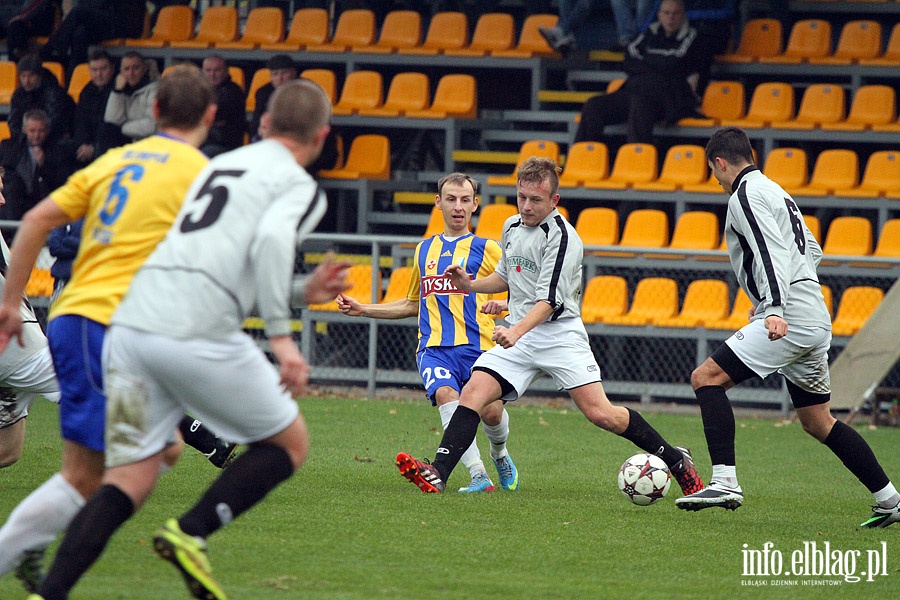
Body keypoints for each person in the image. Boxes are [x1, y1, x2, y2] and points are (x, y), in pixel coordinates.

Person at [24, 78, 348, 600]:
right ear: (322, 135)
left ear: (264, 123)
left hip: (131, 329)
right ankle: (191, 533)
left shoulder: (220, 165)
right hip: (193, 330)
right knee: (289, 443)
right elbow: (267, 243)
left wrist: (299, 290)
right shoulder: (297, 184)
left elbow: (219, 261)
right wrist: (283, 341)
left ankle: (51, 593)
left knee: (130, 476)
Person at [0, 65, 232, 596]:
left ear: (151, 111)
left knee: (157, 453)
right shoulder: (201, 174)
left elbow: (36, 220)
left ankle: (36, 544)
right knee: (109, 469)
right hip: (112, 330)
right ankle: (33, 553)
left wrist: (12, 303)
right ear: (212, 115)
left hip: (74, 320)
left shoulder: (115, 162)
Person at [395, 156, 704, 500]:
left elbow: (549, 301)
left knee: (603, 415)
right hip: (523, 334)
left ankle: (677, 462)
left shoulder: (563, 238)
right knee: (473, 394)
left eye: (535, 200)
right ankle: (438, 472)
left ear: (554, 201)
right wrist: (471, 285)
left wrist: (514, 331)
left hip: (559, 336)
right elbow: (505, 276)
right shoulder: (511, 226)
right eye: (521, 197)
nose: (526, 206)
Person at [674, 127, 900, 529]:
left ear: (720, 163)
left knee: (706, 377)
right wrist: (788, 295)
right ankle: (891, 500)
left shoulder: (744, 195)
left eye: (714, 172)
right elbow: (812, 249)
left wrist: (774, 306)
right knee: (818, 421)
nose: (717, 180)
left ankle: (725, 481)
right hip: (812, 310)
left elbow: (768, 251)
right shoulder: (777, 190)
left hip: (789, 313)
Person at [337, 173, 516, 493]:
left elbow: (521, 291)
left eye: (465, 200)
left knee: (491, 412)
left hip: (481, 346)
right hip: (433, 347)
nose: (458, 207)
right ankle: (479, 475)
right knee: (447, 396)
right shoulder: (423, 251)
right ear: (438, 203)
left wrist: (501, 306)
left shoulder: (489, 249)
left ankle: (500, 454)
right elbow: (411, 304)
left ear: (475, 205)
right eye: (451, 199)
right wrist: (364, 309)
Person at [573, 0, 706, 145]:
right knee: (593, 106)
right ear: (659, 15)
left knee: (640, 104)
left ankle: (637, 161)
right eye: (666, 13)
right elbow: (629, 59)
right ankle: (585, 159)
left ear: (683, 15)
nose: (670, 17)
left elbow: (676, 63)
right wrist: (660, 65)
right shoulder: (648, 33)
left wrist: (647, 62)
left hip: (668, 98)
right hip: (635, 90)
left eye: (676, 13)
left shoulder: (693, 36)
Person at [0, 109, 75, 243]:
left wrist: (44, 164)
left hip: (42, 200)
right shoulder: (9, 147)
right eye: (32, 131)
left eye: (40, 131)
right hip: (15, 203)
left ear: (47, 130)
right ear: (24, 129)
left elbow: (62, 182)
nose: (36, 135)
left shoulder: (58, 151)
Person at [39, 0, 146, 74]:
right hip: (109, 22)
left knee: (78, 11)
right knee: (79, 33)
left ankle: (50, 49)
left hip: (125, 25)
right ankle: (74, 73)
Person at [96, 51, 159, 155]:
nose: (131, 73)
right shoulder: (122, 89)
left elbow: (153, 125)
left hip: (147, 142)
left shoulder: (155, 89)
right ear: (121, 72)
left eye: (136, 68)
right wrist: (117, 91)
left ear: (144, 69)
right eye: (127, 69)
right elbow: (111, 120)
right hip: (128, 140)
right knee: (106, 130)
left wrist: (122, 128)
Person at [8, 52, 74, 141]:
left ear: (39, 76)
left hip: (53, 142)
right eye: (23, 76)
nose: (26, 81)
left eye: (31, 76)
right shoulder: (19, 94)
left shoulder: (55, 93)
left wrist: (37, 141)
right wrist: (25, 143)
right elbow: (14, 123)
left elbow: (55, 123)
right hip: (27, 142)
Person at [70, 48, 114, 167]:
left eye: (103, 69)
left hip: (110, 146)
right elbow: (80, 122)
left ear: (112, 69)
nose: (99, 74)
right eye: (94, 70)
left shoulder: (118, 91)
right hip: (85, 146)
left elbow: (112, 127)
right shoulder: (87, 91)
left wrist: (94, 148)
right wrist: (83, 145)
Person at [199, 54, 246, 158]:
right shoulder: (198, 90)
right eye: (208, 70)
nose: (212, 74)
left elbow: (216, 115)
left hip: (223, 145)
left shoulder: (233, 91)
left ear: (226, 71)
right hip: (201, 141)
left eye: (217, 70)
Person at [249, 53, 297, 141]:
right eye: (275, 74)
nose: (280, 78)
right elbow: (256, 121)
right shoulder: (263, 92)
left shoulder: (306, 90)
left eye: (284, 73)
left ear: (293, 72)